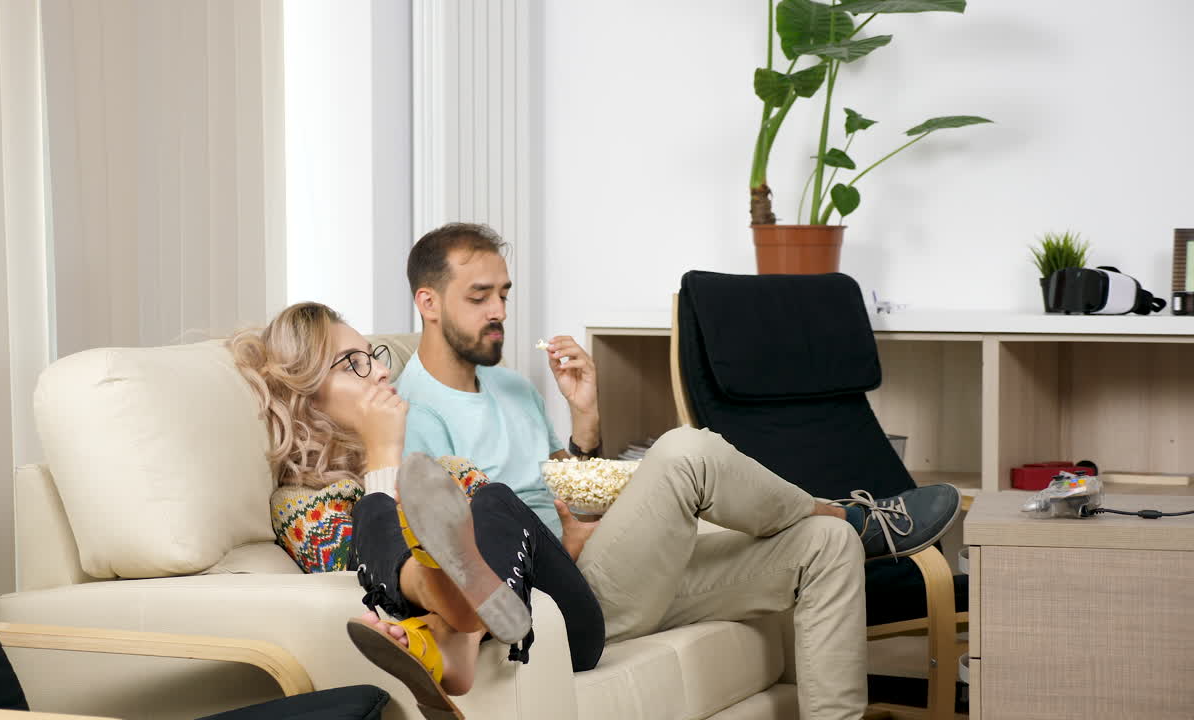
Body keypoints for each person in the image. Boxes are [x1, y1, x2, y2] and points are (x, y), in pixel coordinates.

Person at [390, 223, 964, 720]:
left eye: (505, 295)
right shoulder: (411, 413)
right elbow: (466, 556)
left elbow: (573, 496)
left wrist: (585, 420)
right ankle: (848, 511)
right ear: (429, 303)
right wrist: (564, 544)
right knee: (685, 450)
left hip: (608, 567)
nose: (500, 312)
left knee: (827, 546)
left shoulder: (514, 387)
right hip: (558, 598)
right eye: (480, 297)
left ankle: (842, 524)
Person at [229, 303, 604, 720]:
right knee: (373, 514)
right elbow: (361, 583)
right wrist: (382, 454)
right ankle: (455, 620)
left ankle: (454, 632)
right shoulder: (299, 504)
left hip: (573, 631)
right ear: (305, 395)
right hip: (506, 629)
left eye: (373, 356)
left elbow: (508, 565)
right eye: (353, 363)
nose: (381, 371)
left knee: (494, 499)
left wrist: (561, 546)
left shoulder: (444, 475)